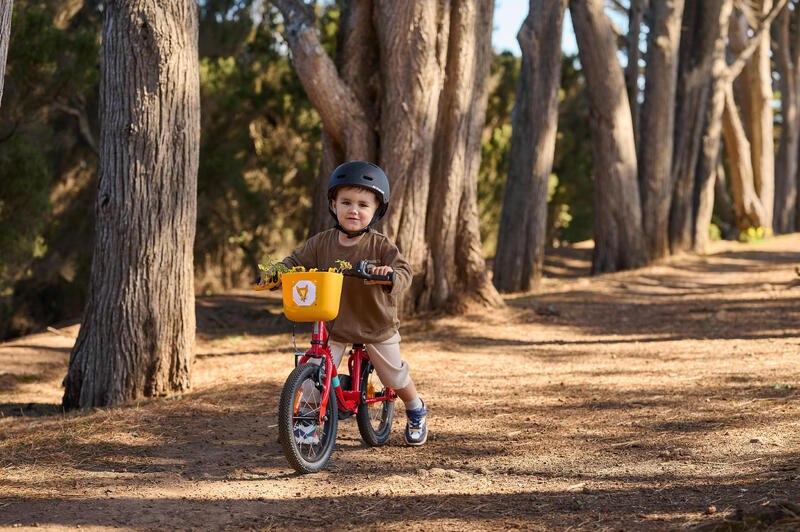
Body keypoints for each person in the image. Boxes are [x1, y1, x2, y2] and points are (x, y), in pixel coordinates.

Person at [260, 160, 427, 446]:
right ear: (333, 206)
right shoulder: (321, 243)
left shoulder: (380, 246)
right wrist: (278, 272)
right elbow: (295, 262)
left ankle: (415, 409)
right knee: (315, 371)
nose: (354, 210)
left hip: (375, 325)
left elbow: (404, 273)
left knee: (393, 376)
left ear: (376, 210)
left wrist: (388, 275)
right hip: (333, 325)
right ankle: (305, 422)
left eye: (363, 204)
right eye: (346, 202)